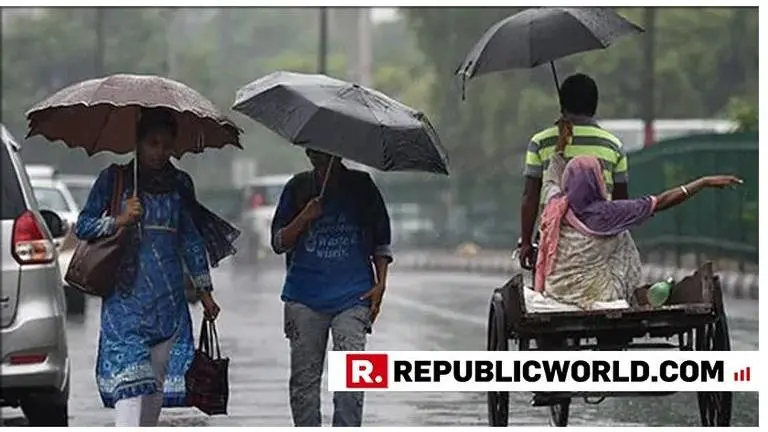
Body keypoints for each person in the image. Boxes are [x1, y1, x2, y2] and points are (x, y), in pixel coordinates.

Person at [74, 107, 239, 426]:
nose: (160, 152)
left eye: (166, 145)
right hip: (125, 305)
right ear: (137, 143)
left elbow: (190, 240)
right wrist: (119, 220)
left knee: (154, 392)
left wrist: (205, 292)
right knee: (130, 387)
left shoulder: (180, 185)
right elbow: (83, 226)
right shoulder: (114, 179)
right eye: (153, 143)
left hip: (169, 306)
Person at [534, 138, 742, 310]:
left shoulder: (555, 206)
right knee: (622, 235)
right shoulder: (610, 213)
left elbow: (551, 180)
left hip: (557, 290)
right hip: (597, 293)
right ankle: (633, 292)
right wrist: (703, 182)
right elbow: (661, 202)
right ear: (597, 180)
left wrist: (560, 147)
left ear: (568, 182)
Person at [271, 149, 392, 427]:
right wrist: (304, 216)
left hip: (354, 296)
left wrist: (381, 284)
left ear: (340, 153)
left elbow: (381, 241)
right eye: (316, 156)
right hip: (304, 297)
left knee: (351, 379)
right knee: (304, 383)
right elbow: (279, 242)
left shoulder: (363, 187)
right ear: (308, 152)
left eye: (328, 157)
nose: (322, 162)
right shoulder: (297, 187)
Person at [519, 73, 629, 269]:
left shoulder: (541, 143)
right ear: (594, 105)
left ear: (562, 104)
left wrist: (526, 242)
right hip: (600, 244)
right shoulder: (614, 146)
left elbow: (530, 196)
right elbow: (621, 202)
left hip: (553, 243)